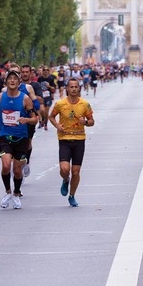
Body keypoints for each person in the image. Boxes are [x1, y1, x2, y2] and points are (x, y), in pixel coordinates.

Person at [49, 78, 94, 207]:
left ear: (78, 88)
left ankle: (72, 195)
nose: (74, 89)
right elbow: (51, 116)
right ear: (67, 89)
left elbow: (92, 121)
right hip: (64, 140)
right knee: (64, 169)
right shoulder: (60, 104)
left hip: (79, 140)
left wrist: (85, 122)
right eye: (71, 87)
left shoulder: (85, 104)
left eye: (76, 87)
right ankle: (65, 179)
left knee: (76, 171)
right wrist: (57, 125)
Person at [0, 71, 37, 208]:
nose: (12, 81)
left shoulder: (25, 99)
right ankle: (8, 191)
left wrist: (27, 119)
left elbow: (35, 118)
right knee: (6, 165)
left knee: (17, 170)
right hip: (4, 136)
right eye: (9, 79)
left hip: (21, 137)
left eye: (15, 79)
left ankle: (17, 192)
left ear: (19, 83)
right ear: (6, 82)